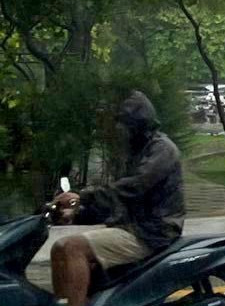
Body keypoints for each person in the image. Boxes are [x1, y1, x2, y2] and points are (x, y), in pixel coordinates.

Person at [51, 92, 185, 306]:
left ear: (138, 125)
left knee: (71, 247)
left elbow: (132, 188)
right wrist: (76, 215)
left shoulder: (162, 150)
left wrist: (81, 198)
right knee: (58, 248)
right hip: (131, 227)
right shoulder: (137, 151)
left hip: (152, 232)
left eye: (125, 125)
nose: (120, 131)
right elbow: (116, 200)